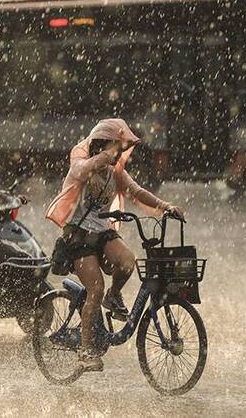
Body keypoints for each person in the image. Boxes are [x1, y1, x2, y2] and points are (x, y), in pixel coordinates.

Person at [46, 118, 185, 371]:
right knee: (94, 289)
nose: (118, 152)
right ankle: (85, 352)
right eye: (114, 145)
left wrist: (166, 206)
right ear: (101, 144)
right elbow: (80, 170)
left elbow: (137, 191)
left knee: (128, 261)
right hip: (78, 236)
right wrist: (103, 157)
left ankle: (114, 295)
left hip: (101, 233)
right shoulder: (81, 164)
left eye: (119, 147)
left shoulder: (115, 172)